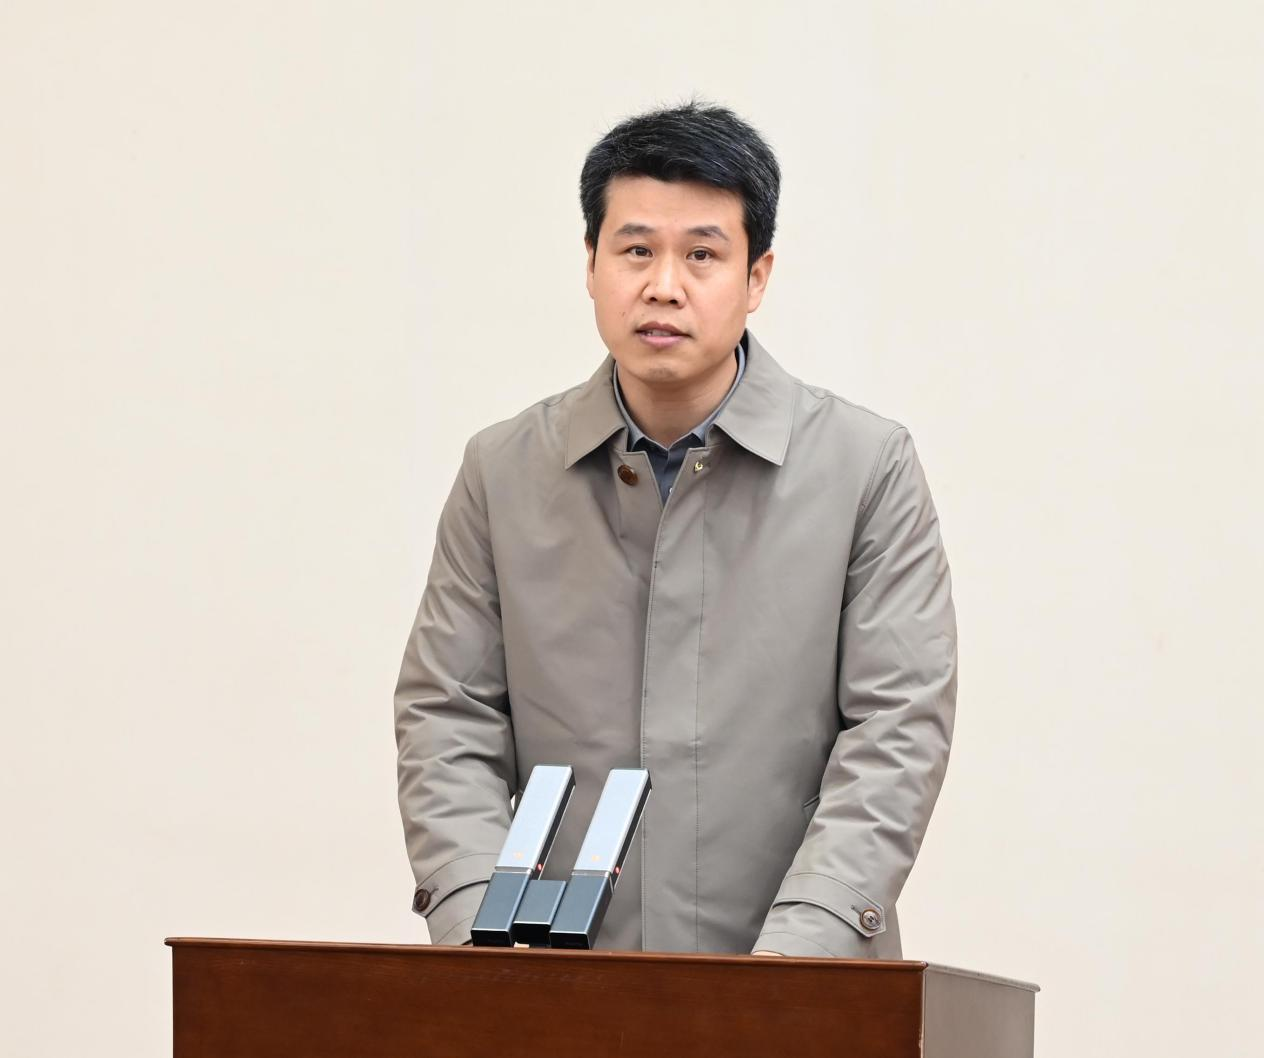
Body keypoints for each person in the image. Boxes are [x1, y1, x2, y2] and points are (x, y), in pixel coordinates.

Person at [394, 100, 957, 958]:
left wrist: (794, 963)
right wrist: (483, 942)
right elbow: (448, 714)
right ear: (591, 265)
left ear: (757, 277)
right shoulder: (503, 472)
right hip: (554, 992)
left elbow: (897, 730)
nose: (664, 285)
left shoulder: (865, 468)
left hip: (798, 992)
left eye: (702, 253)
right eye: (635, 250)